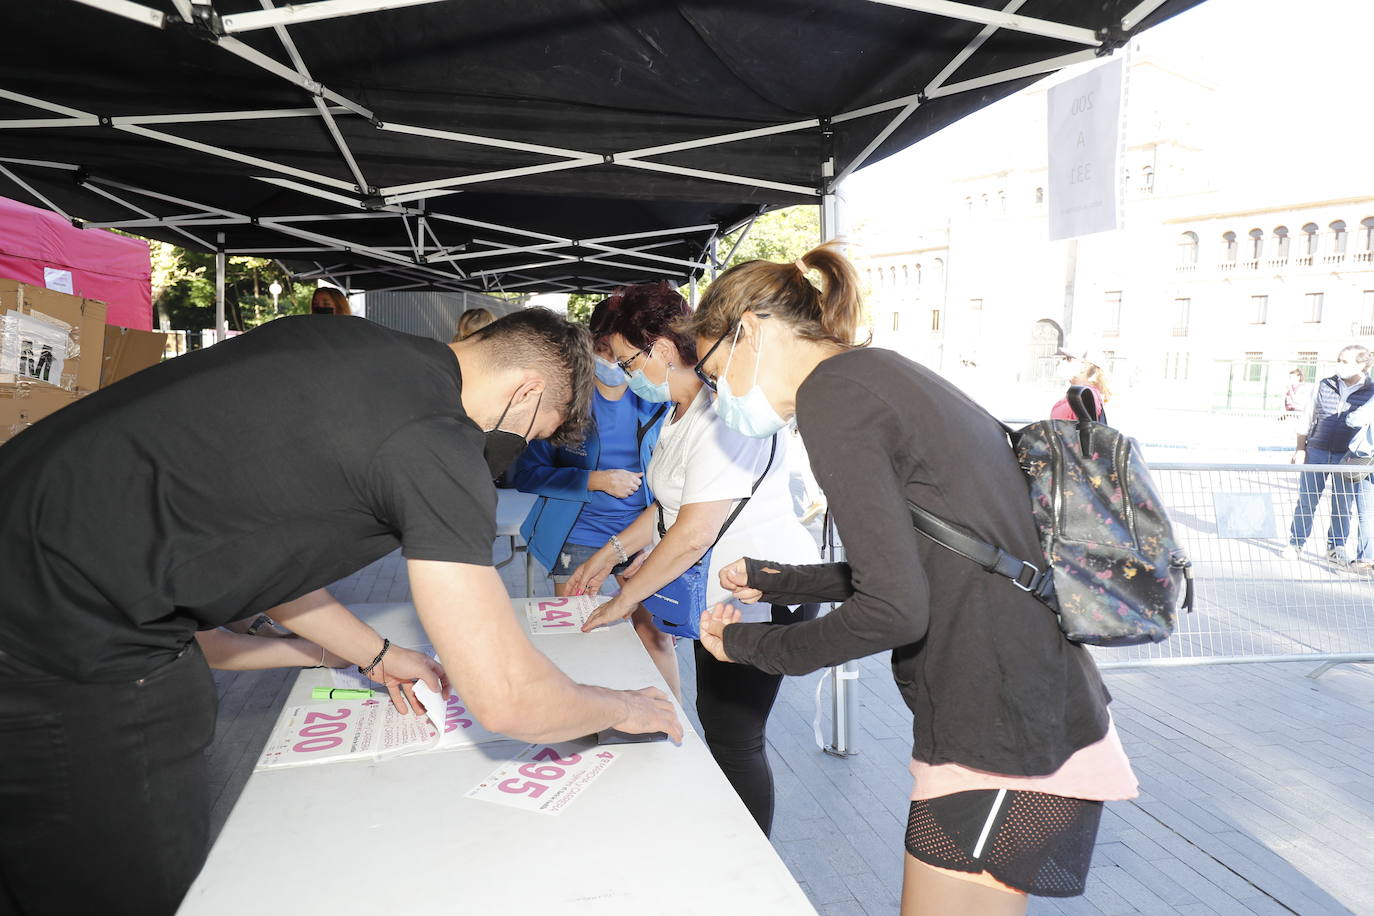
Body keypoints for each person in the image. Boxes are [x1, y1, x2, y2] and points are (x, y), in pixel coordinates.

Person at [0, 308, 680, 916]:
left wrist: (376, 655)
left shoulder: (339, 340)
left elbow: (263, 547)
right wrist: (623, 706)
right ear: (526, 391)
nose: (519, 450)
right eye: (535, 434)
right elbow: (505, 700)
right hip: (62, 638)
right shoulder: (436, 442)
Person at [692, 246, 1138, 913]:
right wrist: (781, 581)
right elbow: (925, 558)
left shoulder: (831, 398)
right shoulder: (879, 374)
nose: (717, 393)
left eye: (713, 370)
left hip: (1000, 726)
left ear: (749, 332)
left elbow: (895, 609)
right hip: (1032, 704)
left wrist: (749, 649)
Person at [569, 282, 819, 835]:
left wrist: (625, 596)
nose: (625, 373)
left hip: (764, 594)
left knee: (735, 735)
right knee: (720, 720)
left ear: (659, 348)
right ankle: (727, 837)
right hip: (725, 593)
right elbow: (665, 509)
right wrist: (609, 555)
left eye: (626, 360)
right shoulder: (676, 414)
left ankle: (749, 863)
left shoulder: (724, 413)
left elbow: (693, 531)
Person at [510, 287, 676, 694]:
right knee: (577, 632)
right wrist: (593, 480)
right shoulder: (569, 403)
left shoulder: (660, 399)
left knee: (656, 636)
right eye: (603, 349)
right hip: (579, 536)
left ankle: (675, 726)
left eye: (620, 353)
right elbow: (525, 474)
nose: (613, 362)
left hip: (644, 536)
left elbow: (678, 484)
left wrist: (658, 541)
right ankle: (582, 720)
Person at [1285, 345, 1374, 569]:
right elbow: (1307, 417)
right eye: (1339, 360)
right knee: (1307, 500)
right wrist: (1300, 448)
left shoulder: (1371, 390)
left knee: (1343, 505)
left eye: (1345, 361)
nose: (1340, 365)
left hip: (1349, 456)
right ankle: (1296, 543)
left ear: (1362, 365)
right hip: (1317, 450)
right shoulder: (1325, 384)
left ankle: (1336, 548)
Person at [1050, 347, 1110, 421]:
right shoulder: (1080, 394)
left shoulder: (1086, 396)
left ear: (1084, 367)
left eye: (1068, 359)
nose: (1062, 362)